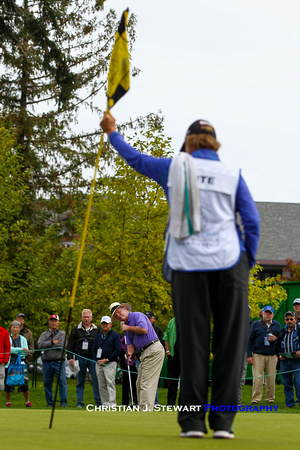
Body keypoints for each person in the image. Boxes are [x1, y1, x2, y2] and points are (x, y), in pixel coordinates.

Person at [101, 113, 260, 438]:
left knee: (193, 342)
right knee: (231, 344)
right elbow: (252, 221)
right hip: (230, 265)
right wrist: (247, 261)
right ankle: (223, 425)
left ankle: (191, 422)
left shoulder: (175, 167)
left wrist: (112, 133)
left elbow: (136, 159)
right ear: (215, 143)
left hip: (188, 266)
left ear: (187, 143)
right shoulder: (231, 173)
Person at [109, 302, 165, 412]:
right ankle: (143, 409)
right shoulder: (126, 327)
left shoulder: (137, 315)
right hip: (144, 353)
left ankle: (146, 411)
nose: (119, 316)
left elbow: (143, 329)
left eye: (119, 312)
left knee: (146, 383)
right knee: (139, 383)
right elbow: (130, 346)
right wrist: (128, 353)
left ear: (124, 308)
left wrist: (128, 327)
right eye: (116, 315)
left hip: (154, 349)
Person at [66, 308, 101, 408]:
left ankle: (98, 403)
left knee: (96, 381)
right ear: (81, 318)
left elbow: (100, 344)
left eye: (88, 317)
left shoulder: (97, 329)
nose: (86, 319)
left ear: (91, 318)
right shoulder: (75, 329)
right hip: (80, 357)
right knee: (80, 381)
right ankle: (79, 403)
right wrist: (70, 358)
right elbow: (70, 346)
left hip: (93, 359)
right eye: (84, 317)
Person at [247, 306, 281, 404]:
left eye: (270, 313)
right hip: (258, 355)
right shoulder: (256, 325)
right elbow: (250, 341)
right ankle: (256, 399)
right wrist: (249, 355)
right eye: (266, 312)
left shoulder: (277, 324)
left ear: (272, 314)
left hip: (272, 355)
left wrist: (276, 339)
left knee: (271, 378)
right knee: (257, 378)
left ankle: (270, 399)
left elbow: (281, 338)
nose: (267, 314)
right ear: (262, 313)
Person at [37, 314, 68, 407]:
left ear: (58, 323)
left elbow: (60, 345)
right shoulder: (44, 334)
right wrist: (51, 342)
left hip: (58, 361)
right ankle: (50, 403)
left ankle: (63, 403)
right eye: (52, 321)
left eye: (55, 321)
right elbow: (39, 345)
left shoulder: (62, 333)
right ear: (49, 322)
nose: (53, 323)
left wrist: (47, 346)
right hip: (46, 362)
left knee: (62, 382)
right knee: (47, 383)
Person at [92, 316, 121, 407]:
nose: (104, 325)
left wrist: (107, 359)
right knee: (101, 384)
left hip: (110, 363)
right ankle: (105, 403)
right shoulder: (98, 336)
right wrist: (97, 360)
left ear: (111, 324)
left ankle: (112, 403)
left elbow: (117, 350)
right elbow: (93, 350)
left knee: (110, 382)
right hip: (99, 363)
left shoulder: (115, 335)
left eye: (106, 323)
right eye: (103, 323)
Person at [275, 311, 300, 408]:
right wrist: (279, 355)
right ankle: (290, 404)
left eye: (291, 319)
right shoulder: (282, 332)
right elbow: (276, 346)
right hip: (285, 361)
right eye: (287, 319)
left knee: (299, 382)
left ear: (296, 320)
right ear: (284, 320)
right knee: (287, 384)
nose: (289, 321)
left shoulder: (299, 330)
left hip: (297, 361)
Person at [4, 321, 32, 407]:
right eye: (13, 327)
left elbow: (25, 352)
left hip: (21, 363)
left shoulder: (23, 339)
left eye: (17, 327)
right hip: (9, 363)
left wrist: (15, 350)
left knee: (24, 383)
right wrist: (19, 350)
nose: (15, 329)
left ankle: (27, 401)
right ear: (11, 329)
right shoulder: (7, 338)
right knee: (8, 383)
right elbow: (8, 350)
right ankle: (8, 402)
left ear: (19, 329)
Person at [145, 311, 165, 404]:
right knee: (142, 381)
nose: (148, 320)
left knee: (153, 380)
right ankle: (143, 402)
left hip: (154, 357)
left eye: (149, 318)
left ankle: (154, 402)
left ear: (153, 318)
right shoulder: (140, 328)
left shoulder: (158, 329)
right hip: (141, 357)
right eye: (146, 318)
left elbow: (162, 343)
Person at [163, 317, 181, 406]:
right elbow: (166, 337)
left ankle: (183, 404)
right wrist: (168, 352)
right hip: (173, 356)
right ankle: (170, 404)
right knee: (172, 382)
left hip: (186, 358)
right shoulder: (172, 321)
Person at [237, 305, 253, 406]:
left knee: (240, 377)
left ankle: (237, 401)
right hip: (232, 352)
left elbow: (251, 340)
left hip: (244, 352)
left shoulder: (252, 323)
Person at [120, 335, 138, 405]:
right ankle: (125, 402)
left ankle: (135, 401)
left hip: (134, 362)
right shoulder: (123, 337)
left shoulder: (135, 335)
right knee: (125, 383)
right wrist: (126, 352)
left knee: (134, 383)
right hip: (125, 363)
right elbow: (121, 346)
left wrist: (134, 353)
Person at [0, 317, 11, 398]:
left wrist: (5, 361)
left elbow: (7, 347)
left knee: (0, 385)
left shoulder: (4, 332)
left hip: (1, 362)